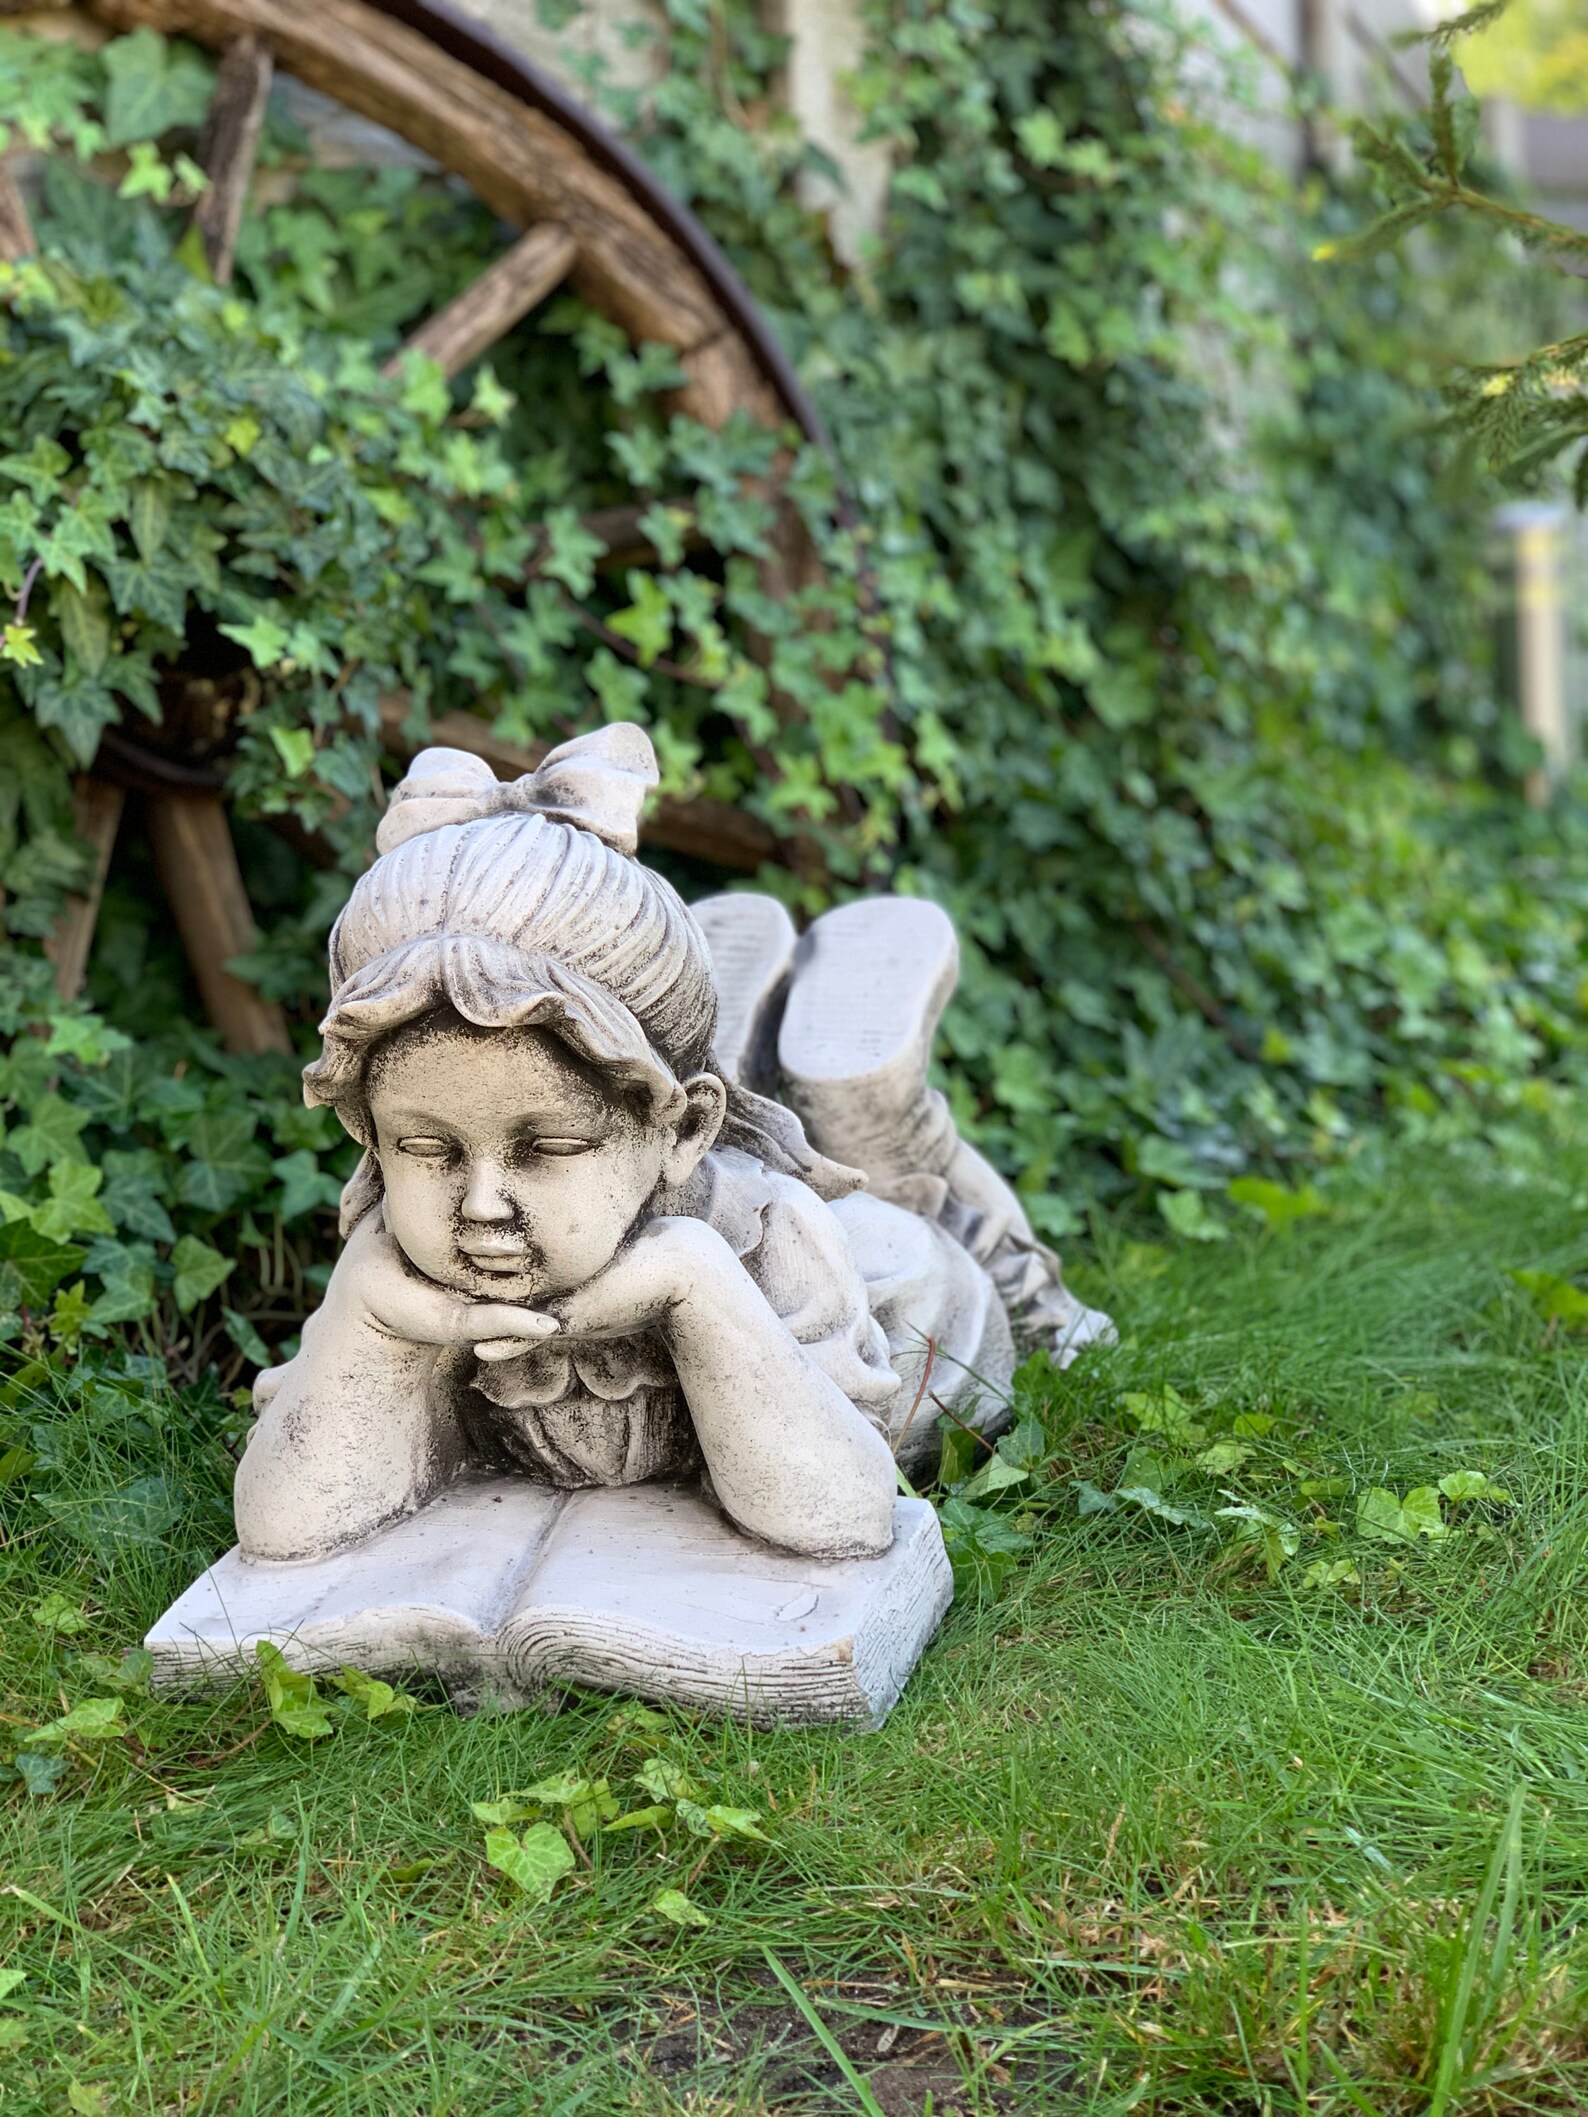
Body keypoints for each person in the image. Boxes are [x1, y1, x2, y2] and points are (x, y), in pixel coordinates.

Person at [235, 725, 1110, 1567]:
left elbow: (840, 1516)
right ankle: (733, 1031)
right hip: (658, 1142)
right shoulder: (399, 1257)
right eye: (427, 1148)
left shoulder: (771, 1242)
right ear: (372, 1135)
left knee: (893, 1181)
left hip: (909, 1287)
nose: (480, 1202)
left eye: (546, 1146)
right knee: (638, 1091)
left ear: (684, 1130)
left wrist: (694, 1279)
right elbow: (286, 1528)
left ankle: (875, 1100)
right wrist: (364, 1308)